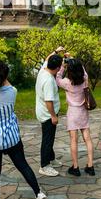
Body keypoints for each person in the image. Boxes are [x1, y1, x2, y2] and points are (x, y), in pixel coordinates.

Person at [0, 60, 48, 199]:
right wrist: (2, 77)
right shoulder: (13, 91)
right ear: (5, 76)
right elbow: (7, 85)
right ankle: (38, 194)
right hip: (11, 137)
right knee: (23, 165)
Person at [55, 54, 94, 177]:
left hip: (72, 112)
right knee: (87, 138)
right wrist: (75, 61)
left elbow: (57, 77)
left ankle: (75, 167)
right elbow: (85, 73)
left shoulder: (67, 83)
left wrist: (63, 65)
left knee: (73, 140)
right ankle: (90, 165)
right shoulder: (84, 81)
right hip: (83, 111)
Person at [35, 47, 64, 177]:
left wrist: (56, 51)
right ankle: (44, 165)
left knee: (50, 137)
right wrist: (53, 116)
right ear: (57, 68)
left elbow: (47, 59)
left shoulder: (43, 70)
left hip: (43, 111)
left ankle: (51, 158)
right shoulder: (48, 81)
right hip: (47, 114)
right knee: (47, 139)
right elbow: (49, 101)